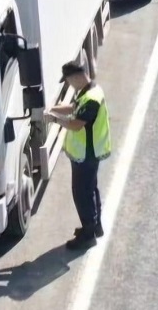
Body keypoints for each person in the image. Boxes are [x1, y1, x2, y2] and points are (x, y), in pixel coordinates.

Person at [45, 60, 111, 250]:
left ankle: (88, 234)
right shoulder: (90, 90)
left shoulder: (91, 99)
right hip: (88, 153)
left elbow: (76, 124)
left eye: (68, 81)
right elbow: (74, 108)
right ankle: (95, 226)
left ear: (76, 77)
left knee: (82, 194)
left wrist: (55, 119)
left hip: (86, 154)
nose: (69, 85)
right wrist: (53, 109)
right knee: (90, 189)